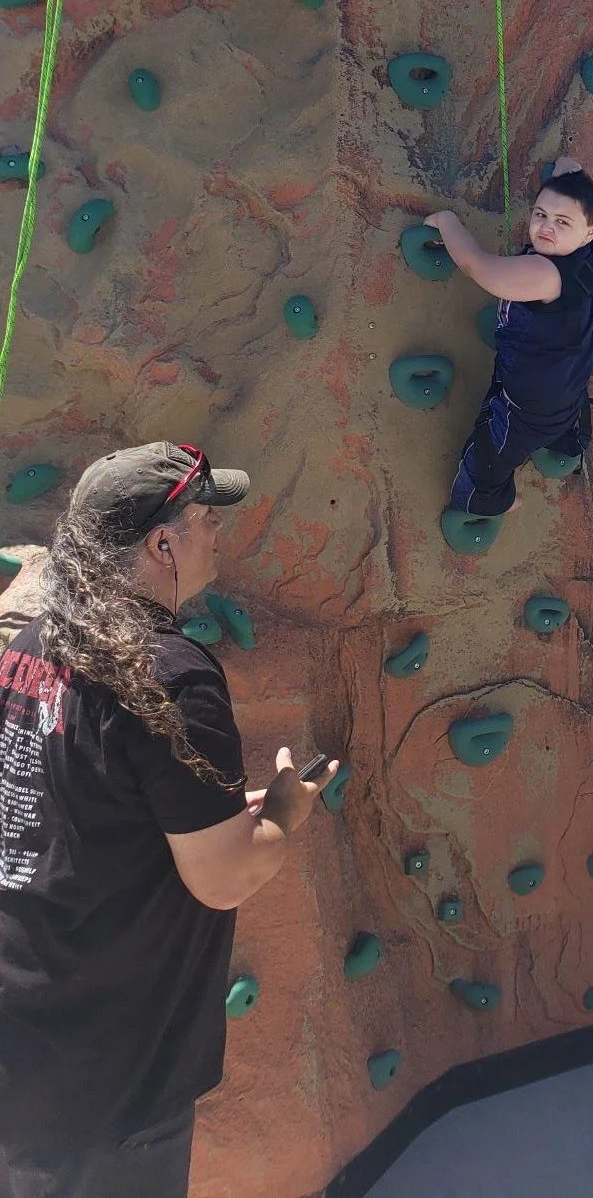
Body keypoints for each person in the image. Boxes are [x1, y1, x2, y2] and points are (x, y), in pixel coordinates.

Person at [0, 443, 339, 1198]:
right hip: (116, 1062)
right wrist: (284, 810)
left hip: (25, 1025)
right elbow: (224, 879)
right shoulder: (172, 673)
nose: (217, 533)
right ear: (162, 543)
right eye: (204, 520)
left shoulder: (29, 647)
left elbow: (75, 800)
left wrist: (208, 815)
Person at [427, 157, 593, 521]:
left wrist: (445, 221)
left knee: (485, 459)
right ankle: (560, 438)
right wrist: (566, 173)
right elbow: (570, 187)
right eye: (540, 214)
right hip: (566, 382)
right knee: (555, 420)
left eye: (562, 222)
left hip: (528, 407)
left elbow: (475, 265)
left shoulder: (543, 272)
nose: (546, 228)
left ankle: (493, 501)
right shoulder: (583, 255)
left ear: (591, 232)